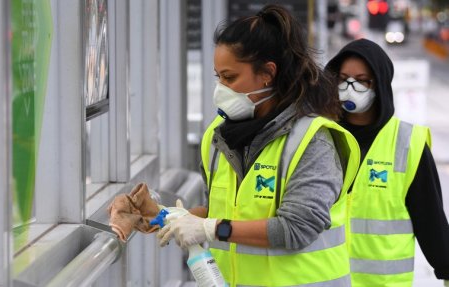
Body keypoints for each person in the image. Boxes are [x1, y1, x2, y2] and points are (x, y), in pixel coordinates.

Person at [157, 4, 361, 287]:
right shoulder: (218, 137)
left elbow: (297, 228)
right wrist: (176, 217)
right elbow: (230, 213)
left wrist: (209, 227)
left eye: (230, 78)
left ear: (267, 73)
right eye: (219, 77)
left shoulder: (312, 141)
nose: (221, 89)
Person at [325, 38, 449, 287]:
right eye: (343, 78)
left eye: (362, 80)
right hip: (326, 280)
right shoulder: (321, 136)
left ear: (379, 84)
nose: (350, 87)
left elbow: (431, 223)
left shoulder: (408, 143)